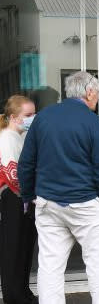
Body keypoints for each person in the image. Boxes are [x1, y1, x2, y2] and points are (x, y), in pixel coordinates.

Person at [18, 71, 99, 304]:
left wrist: (29, 196)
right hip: (87, 205)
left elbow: (26, 163)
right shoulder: (94, 123)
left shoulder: (43, 118)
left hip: (48, 203)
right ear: (90, 92)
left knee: (50, 267)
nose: (98, 98)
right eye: (98, 94)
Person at [0, 95, 37, 304]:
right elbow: (13, 174)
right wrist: (31, 194)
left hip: (22, 199)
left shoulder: (20, 137)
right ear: (14, 117)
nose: (33, 118)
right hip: (13, 199)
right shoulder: (7, 138)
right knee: (13, 249)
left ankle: (22, 292)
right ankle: (14, 296)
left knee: (23, 248)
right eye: (28, 115)